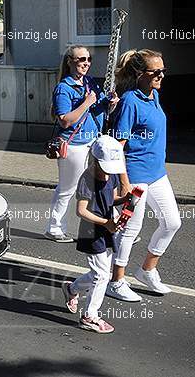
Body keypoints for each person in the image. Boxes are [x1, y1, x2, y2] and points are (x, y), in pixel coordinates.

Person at [106, 49, 182, 301]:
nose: (161, 76)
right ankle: (116, 280)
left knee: (172, 222)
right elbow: (118, 147)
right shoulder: (130, 100)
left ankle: (147, 270)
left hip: (157, 173)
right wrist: (123, 182)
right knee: (130, 228)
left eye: (163, 71)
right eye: (155, 72)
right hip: (136, 174)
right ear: (140, 73)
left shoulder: (154, 96)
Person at [44, 46, 119, 243]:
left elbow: (100, 106)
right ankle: (54, 227)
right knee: (68, 188)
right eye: (81, 59)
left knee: (99, 184)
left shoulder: (90, 82)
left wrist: (111, 102)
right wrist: (86, 103)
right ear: (70, 62)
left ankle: (110, 223)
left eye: (88, 59)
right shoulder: (64, 88)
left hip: (93, 141)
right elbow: (64, 120)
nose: (86, 63)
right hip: (74, 145)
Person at [61, 135, 129, 334]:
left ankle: (71, 289)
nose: (109, 171)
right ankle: (90, 315)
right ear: (95, 160)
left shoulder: (112, 173)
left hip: (106, 228)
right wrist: (106, 222)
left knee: (99, 274)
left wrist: (126, 199)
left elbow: (112, 197)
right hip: (92, 231)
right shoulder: (87, 179)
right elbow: (80, 211)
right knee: (101, 275)